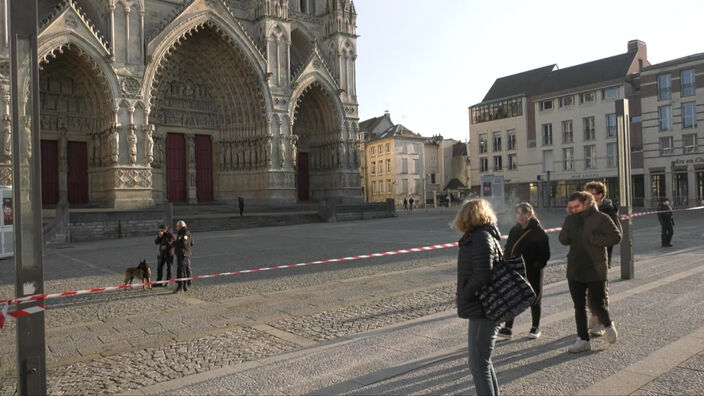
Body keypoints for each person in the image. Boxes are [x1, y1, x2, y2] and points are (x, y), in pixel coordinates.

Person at [559, 191, 621, 353]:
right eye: (571, 207)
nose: (574, 210)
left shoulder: (601, 218)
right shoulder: (570, 219)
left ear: (587, 203)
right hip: (575, 267)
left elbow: (616, 237)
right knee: (578, 306)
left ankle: (608, 325)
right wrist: (565, 234)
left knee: (598, 304)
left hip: (595, 267)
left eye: (577, 206)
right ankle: (583, 340)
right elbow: (563, 240)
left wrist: (595, 240)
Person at [454, 199, 502, 395]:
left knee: (478, 364)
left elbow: (482, 274)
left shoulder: (481, 237)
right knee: (482, 361)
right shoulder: (482, 235)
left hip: (484, 307)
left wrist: (464, 295)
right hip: (483, 305)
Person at [497, 202, 550, 340]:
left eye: (523, 213)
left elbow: (545, 254)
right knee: (513, 296)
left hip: (533, 269)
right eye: (518, 213)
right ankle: (508, 328)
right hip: (515, 268)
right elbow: (509, 247)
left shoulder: (538, 231)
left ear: (530, 214)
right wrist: (507, 261)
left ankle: (535, 327)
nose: (520, 216)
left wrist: (537, 265)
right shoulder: (515, 230)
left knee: (535, 297)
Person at [584, 181, 621, 336]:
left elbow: (617, 234)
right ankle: (595, 318)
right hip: (586, 258)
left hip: (601, 259)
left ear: (600, 195)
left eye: (591, 195)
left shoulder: (608, 211)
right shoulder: (588, 211)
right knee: (589, 293)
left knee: (600, 293)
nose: (587, 199)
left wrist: (594, 240)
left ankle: (602, 322)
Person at [173, 220, 194, 293]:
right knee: (185, 269)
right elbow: (192, 243)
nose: (176, 227)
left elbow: (184, 244)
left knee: (181, 270)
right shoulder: (186, 233)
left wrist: (175, 242)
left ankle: (181, 286)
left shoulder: (184, 234)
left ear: (181, 226)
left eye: (177, 226)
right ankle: (185, 285)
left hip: (183, 254)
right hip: (185, 254)